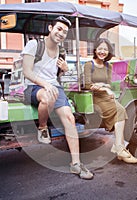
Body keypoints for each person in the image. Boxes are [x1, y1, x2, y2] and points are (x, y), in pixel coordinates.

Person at [21, 16, 93, 180]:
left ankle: (75, 164)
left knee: (70, 118)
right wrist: (45, 84)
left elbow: (58, 74)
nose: (61, 33)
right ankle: (43, 127)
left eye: (65, 32)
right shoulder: (34, 45)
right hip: (33, 86)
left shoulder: (61, 51)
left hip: (54, 87)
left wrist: (65, 69)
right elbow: (27, 72)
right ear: (50, 28)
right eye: (59, 29)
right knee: (48, 96)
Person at [83, 38, 137, 164]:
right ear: (95, 50)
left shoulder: (109, 66)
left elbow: (109, 85)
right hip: (95, 98)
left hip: (106, 96)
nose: (102, 52)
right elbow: (87, 85)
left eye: (105, 49)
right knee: (120, 111)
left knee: (121, 111)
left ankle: (120, 149)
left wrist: (103, 86)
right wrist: (104, 88)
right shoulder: (88, 65)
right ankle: (121, 149)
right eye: (100, 49)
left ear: (109, 52)